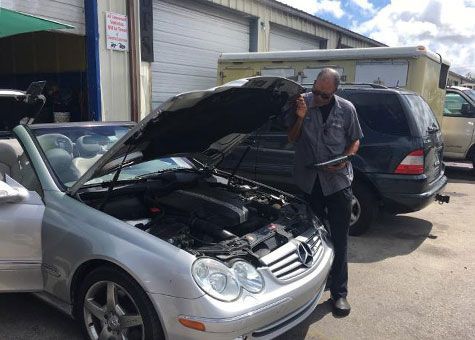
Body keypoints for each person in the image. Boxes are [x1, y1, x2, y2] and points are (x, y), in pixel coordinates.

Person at [286, 68, 363, 316]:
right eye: (316, 91)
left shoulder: (347, 109)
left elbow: (356, 140)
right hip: (310, 182)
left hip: (338, 182)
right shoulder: (302, 103)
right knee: (313, 238)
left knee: (339, 238)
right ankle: (312, 288)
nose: (317, 97)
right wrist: (300, 117)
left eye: (324, 95)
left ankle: (339, 293)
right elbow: (291, 138)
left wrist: (347, 157)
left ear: (335, 92)